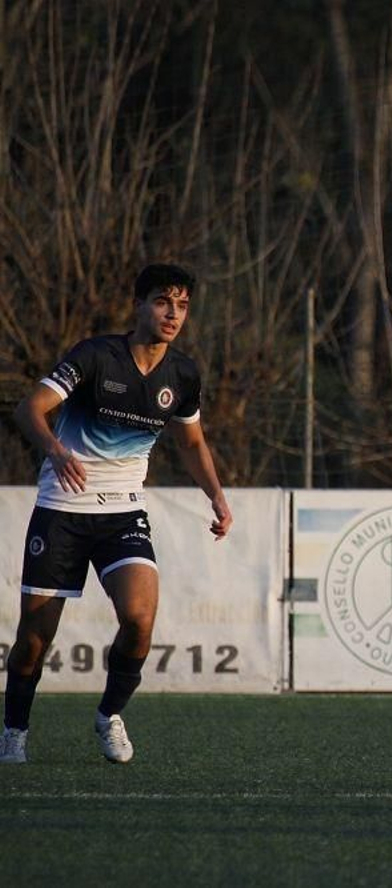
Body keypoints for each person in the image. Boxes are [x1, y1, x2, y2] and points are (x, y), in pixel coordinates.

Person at [1, 265, 232, 765]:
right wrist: (57, 450)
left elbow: (191, 442)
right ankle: (14, 730)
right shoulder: (95, 356)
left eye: (183, 305)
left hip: (123, 513)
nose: (173, 314)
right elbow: (29, 410)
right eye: (162, 302)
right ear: (139, 305)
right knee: (34, 642)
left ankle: (109, 714)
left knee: (139, 618)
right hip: (62, 510)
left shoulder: (183, 374)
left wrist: (216, 494)